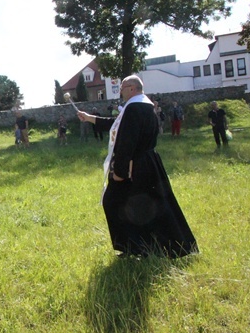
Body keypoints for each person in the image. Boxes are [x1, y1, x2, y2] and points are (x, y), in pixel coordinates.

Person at [77, 75, 198, 258]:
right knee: (147, 206)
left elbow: (127, 142)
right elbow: (117, 127)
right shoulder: (144, 105)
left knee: (121, 204)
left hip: (136, 166)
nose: (121, 91)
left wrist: (120, 171)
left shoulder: (133, 108)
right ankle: (141, 247)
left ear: (132, 88)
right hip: (148, 163)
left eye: (123, 87)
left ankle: (141, 247)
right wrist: (90, 118)